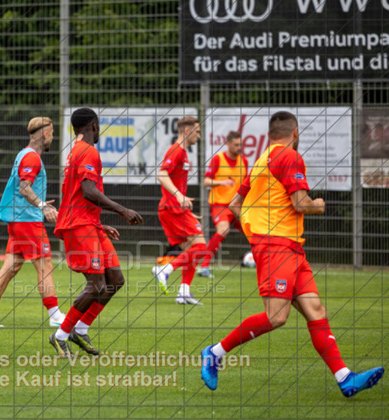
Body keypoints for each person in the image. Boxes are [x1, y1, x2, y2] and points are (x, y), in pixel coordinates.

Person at [201, 111, 384, 397]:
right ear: (295, 132)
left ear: (270, 135)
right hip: (277, 247)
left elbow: (235, 204)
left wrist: (254, 234)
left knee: (316, 311)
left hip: (289, 248)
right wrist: (318, 205)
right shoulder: (289, 156)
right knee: (276, 316)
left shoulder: (262, 160)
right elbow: (301, 203)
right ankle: (215, 352)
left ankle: (345, 378)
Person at [49, 108, 143, 357]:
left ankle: (80, 329)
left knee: (115, 281)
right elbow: (88, 191)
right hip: (79, 225)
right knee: (96, 285)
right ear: (94, 125)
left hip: (88, 223)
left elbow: (77, 194)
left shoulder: (76, 150)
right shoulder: (88, 151)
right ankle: (60, 335)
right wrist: (122, 210)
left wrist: (99, 224)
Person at [0, 117, 65, 328]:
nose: (52, 137)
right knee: (45, 265)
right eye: (52, 133)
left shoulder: (24, 154)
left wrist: (39, 204)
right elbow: (24, 188)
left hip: (19, 218)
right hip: (27, 220)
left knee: (12, 266)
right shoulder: (32, 157)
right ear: (45, 134)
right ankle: (55, 315)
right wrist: (42, 206)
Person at [151, 116, 207, 305]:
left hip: (174, 209)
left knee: (192, 251)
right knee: (201, 247)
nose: (199, 136)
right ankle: (165, 269)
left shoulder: (183, 152)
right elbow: (161, 174)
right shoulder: (176, 150)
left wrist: (185, 208)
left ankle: (184, 292)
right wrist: (179, 196)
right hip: (172, 208)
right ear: (187, 130)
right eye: (197, 132)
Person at [197, 131, 248, 278]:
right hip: (220, 205)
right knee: (223, 230)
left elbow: (246, 185)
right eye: (236, 145)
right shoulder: (218, 159)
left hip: (236, 205)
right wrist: (221, 182)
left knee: (253, 230)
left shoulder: (244, 162)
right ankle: (204, 267)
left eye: (240, 144)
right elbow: (206, 181)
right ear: (228, 144)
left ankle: (264, 261)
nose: (239, 147)